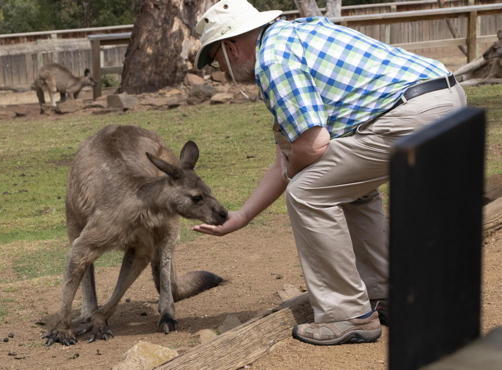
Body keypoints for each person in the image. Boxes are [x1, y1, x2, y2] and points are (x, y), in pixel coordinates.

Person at [192, 0, 466, 345]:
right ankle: (387, 295)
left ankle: (346, 315)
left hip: (412, 115)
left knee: (308, 192)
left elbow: (312, 145)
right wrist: (244, 215)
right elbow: (292, 154)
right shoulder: (299, 34)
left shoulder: (273, 61)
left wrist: (296, 174)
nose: (219, 67)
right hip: (443, 99)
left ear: (230, 46)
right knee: (343, 185)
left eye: (215, 58)